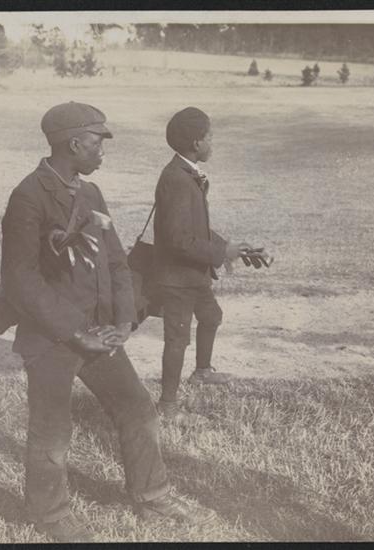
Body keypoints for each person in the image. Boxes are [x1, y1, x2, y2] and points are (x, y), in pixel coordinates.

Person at [0, 102, 215, 542]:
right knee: (52, 429)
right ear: (73, 144)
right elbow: (20, 281)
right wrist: (76, 331)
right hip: (52, 338)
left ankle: (152, 496)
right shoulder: (28, 197)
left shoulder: (91, 194)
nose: (103, 151)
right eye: (97, 143)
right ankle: (50, 515)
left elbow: (117, 261)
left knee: (138, 409)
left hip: (99, 334)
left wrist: (122, 321)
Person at [152, 106, 266, 422]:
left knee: (211, 316)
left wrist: (230, 248)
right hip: (177, 279)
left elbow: (196, 229)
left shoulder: (186, 173)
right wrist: (222, 252)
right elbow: (178, 240)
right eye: (210, 137)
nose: (212, 143)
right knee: (177, 340)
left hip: (192, 274)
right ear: (196, 143)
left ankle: (201, 372)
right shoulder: (177, 179)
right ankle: (168, 405)